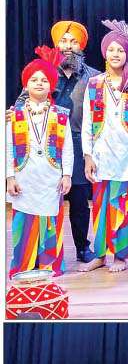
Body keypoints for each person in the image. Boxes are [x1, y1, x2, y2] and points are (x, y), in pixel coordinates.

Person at [80, 19, 128, 273]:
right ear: (104, 52)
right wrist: (87, 155)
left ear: (127, 54)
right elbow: (87, 121)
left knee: (123, 204)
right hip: (101, 154)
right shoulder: (94, 83)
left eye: (120, 50)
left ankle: (120, 256)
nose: (115, 54)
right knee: (100, 207)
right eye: (111, 49)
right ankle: (100, 254)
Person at [6, 46, 74, 277]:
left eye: (44, 80)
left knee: (50, 221)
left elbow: (67, 148)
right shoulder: (14, 114)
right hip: (23, 176)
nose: (39, 83)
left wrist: (66, 175)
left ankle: (50, 265)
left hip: (50, 176)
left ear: (51, 85)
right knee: (23, 221)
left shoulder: (60, 114)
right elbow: (7, 147)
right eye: (34, 79)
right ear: (25, 84)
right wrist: (9, 177)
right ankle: (22, 265)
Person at [50, 20, 100, 263]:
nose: (68, 46)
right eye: (64, 41)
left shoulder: (94, 77)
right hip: (48, 145)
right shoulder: (43, 73)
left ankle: (82, 248)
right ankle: (48, 251)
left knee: (80, 202)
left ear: (82, 46)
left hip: (80, 145)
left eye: (74, 41)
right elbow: (24, 100)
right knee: (49, 200)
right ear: (56, 45)